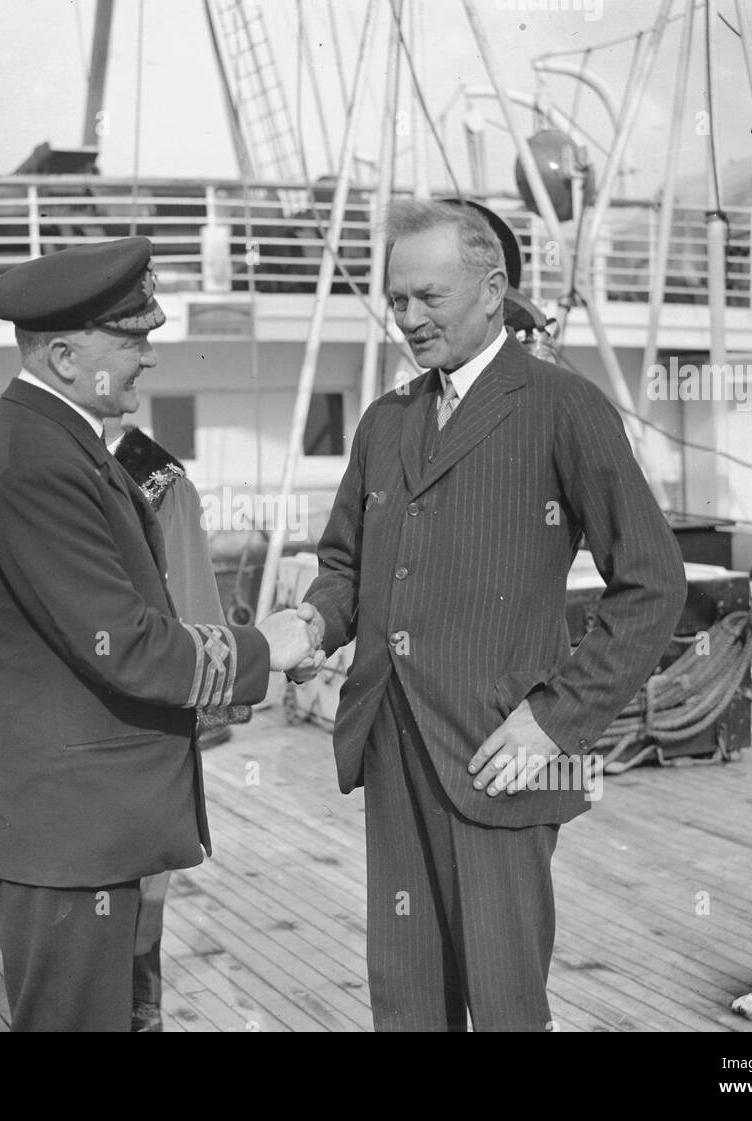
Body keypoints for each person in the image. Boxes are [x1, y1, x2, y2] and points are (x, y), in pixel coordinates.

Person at [296, 199, 687, 1032]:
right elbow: (345, 566)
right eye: (397, 300)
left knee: (508, 1005)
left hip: (504, 752)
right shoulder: (386, 420)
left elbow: (654, 582)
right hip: (393, 745)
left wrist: (557, 722)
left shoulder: (560, 405)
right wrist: (312, 623)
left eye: (428, 297)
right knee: (405, 1001)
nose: (408, 319)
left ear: (491, 289)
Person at [0, 236, 319, 1032]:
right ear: (63, 354)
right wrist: (270, 647)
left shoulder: (59, 442)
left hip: (85, 829)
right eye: (132, 338)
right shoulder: (35, 463)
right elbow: (129, 644)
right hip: (64, 837)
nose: (148, 356)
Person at [103, 415, 250, 1032]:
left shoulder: (159, 479)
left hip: (143, 712)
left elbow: (190, 603)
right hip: (56, 714)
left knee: (142, 880)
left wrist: (198, 699)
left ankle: (141, 1011)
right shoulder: (37, 458)